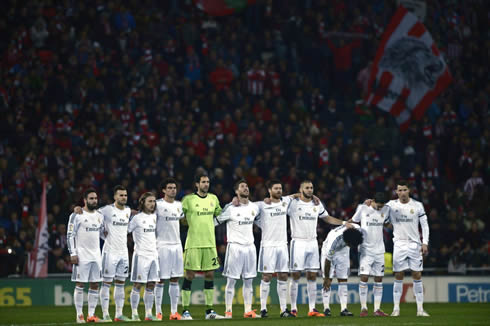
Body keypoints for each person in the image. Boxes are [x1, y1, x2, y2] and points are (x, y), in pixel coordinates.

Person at [287, 180, 348, 317]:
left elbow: (327, 218)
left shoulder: (317, 204)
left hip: (313, 242)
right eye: (306, 188)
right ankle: (293, 308)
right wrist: (296, 195)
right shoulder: (293, 203)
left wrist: (344, 223)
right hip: (298, 242)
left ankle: (312, 309)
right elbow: (281, 201)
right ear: (300, 189)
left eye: (311, 188)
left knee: (312, 275)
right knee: (296, 275)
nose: (310, 190)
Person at [180, 172, 224, 320]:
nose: (206, 184)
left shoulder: (213, 199)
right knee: (190, 275)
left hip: (210, 243)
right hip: (193, 243)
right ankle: (185, 311)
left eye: (207, 182)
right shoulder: (188, 200)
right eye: (203, 182)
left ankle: (209, 311)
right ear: (197, 184)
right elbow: (179, 217)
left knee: (210, 274)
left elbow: (220, 214)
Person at [215, 179, 260, 318]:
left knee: (249, 281)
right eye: (242, 186)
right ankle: (228, 311)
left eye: (246, 186)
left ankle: (248, 311)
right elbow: (215, 222)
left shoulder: (255, 207)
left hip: (250, 247)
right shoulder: (231, 208)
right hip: (235, 247)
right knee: (231, 281)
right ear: (236, 191)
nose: (245, 188)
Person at [387, 180, 430, 317]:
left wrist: (425, 243)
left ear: (409, 190)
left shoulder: (417, 205)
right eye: (399, 190)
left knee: (417, 275)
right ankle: (396, 309)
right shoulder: (391, 205)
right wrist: (370, 202)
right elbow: (378, 207)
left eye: (404, 190)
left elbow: (424, 225)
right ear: (396, 192)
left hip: (414, 244)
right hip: (399, 244)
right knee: (398, 275)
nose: (402, 193)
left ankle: (420, 309)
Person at [255, 180, 295, 318]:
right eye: (276, 188)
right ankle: (263, 309)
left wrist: (312, 197)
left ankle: (283, 309)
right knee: (266, 276)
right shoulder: (261, 205)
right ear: (269, 191)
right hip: (268, 245)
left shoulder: (285, 201)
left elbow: (296, 195)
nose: (279, 190)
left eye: (280, 188)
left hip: (282, 245)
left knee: (283, 275)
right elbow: (246, 208)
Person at [67, 188, 104, 323]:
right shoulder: (76, 215)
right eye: (91, 198)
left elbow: (101, 233)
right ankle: (79, 315)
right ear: (85, 200)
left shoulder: (100, 215)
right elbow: (70, 235)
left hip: (96, 256)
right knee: (80, 284)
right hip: (82, 255)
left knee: (95, 285)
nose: (94, 201)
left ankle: (91, 315)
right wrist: (73, 253)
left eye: (95, 198)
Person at [350, 192, 390, 317]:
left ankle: (377, 309)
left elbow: (388, 223)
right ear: (372, 201)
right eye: (378, 206)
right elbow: (353, 221)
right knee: (364, 277)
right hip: (365, 249)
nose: (379, 209)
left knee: (378, 279)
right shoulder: (362, 208)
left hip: (379, 249)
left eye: (381, 207)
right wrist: (344, 225)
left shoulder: (386, 209)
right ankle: (363, 308)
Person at [97, 185, 132, 322]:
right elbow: (92, 214)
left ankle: (118, 314)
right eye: (121, 195)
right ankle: (105, 314)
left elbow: (132, 214)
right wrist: (101, 233)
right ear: (115, 197)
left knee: (121, 283)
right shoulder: (107, 210)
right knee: (106, 283)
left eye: (125, 195)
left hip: (123, 252)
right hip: (109, 251)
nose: (123, 197)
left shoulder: (128, 211)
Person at [154, 178, 184, 320]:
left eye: (174, 187)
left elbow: (183, 220)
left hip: (177, 245)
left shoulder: (179, 205)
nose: (173, 190)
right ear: (164, 190)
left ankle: (173, 312)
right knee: (160, 280)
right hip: (162, 245)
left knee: (175, 278)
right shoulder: (157, 205)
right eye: (170, 187)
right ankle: (158, 312)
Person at [128, 192, 159, 321]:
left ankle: (148, 313)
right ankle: (134, 313)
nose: (152, 204)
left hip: (153, 255)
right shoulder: (136, 218)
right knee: (138, 284)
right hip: (141, 255)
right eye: (149, 202)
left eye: (153, 201)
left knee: (151, 284)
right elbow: (126, 230)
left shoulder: (155, 217)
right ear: (143, 203)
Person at [321, 225, 364, 317]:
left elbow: (351, 222)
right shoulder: (334, 240)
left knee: (343, 279)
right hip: (328, 252)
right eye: (351, 245)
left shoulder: (357, 230)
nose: (352, 246)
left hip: (343, 251)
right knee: (327, 280)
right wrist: (327, 278)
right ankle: (326, 308)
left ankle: (344, 309)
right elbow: (327, 261)